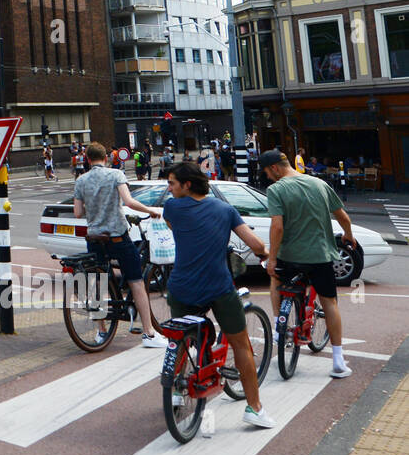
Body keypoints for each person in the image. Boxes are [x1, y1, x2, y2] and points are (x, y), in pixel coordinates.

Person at [162, 162, 276, 428]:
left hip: (181, 287)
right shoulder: (225, 210)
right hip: (218, 287)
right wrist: (264, 255)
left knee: (182, 340)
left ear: (186, 185)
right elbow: (256, 244)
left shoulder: (172, 208)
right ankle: (254, 408)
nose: (169, 189)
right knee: (241, 345)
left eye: (171, 183)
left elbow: (172, 226)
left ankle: (176, 392)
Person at [258, 149, 355, 378]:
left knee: (275, 278)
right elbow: (342, 217)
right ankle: (338, 360)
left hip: (289, 256)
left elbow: (277, 226)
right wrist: (348, 234)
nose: (268, 178)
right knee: (329, 303)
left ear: (274, 168)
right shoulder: (319, 184)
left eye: (267, 173)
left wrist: (272, 258)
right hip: (320, 255)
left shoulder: (276, 190)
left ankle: (278, 329)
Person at [72, 142, 166, 347]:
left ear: (87, 159)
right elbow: (129, 202)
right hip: (117, 237)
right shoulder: (115, 175)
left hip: (95, 239)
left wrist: (95, 210)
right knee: (137, 282)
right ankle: (149, 333)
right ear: (106, 158)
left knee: (97, 282)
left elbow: (78, 213)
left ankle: (101, 331)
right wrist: (151, 211)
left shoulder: (81, 180)